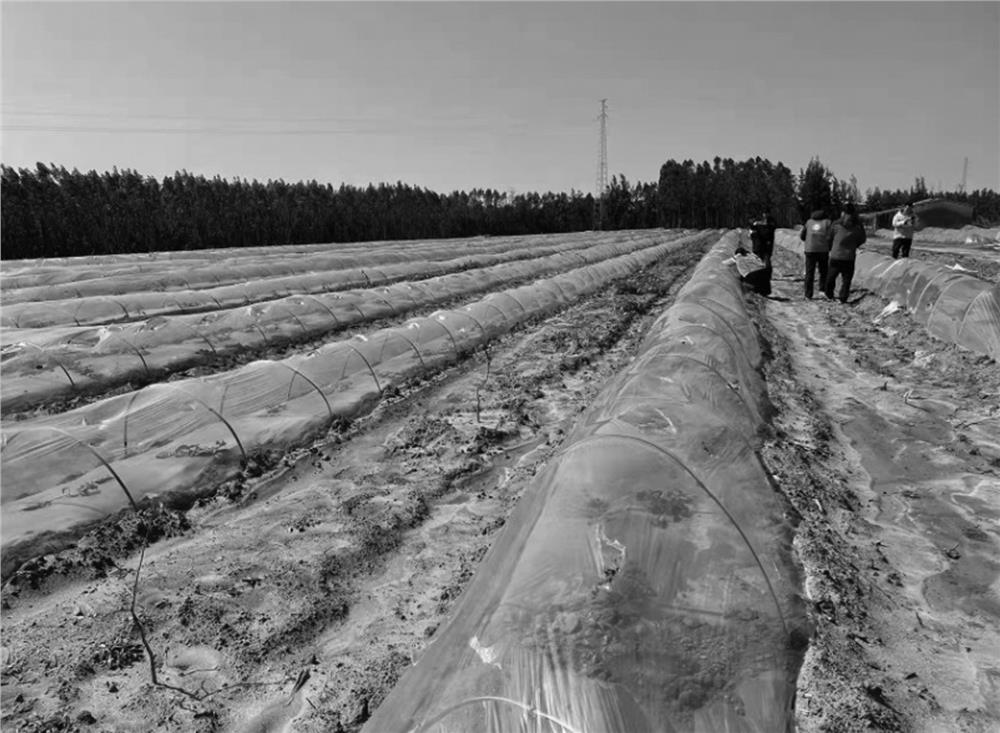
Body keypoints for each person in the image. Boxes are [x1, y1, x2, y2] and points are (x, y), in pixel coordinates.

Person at [825, 203, 867, 303]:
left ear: (842, 212)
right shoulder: (858, 225)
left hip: (836, 255)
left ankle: (829, 294)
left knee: (831, 276)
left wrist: (831, 246)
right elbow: (862, 239)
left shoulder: (836, 224)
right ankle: (843, 297)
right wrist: (854, 245)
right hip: (849, 256)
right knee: (846, 279)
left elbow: (829, 237)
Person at [799, 208, 833, 299]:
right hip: (823, 250)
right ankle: (822, 291)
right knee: (823, 272)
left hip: (810, 249)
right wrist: (829, 247)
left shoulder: (809, 222)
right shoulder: (828, 222)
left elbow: (802, 236)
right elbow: (830, 237)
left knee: (810, 272)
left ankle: (808, 294)